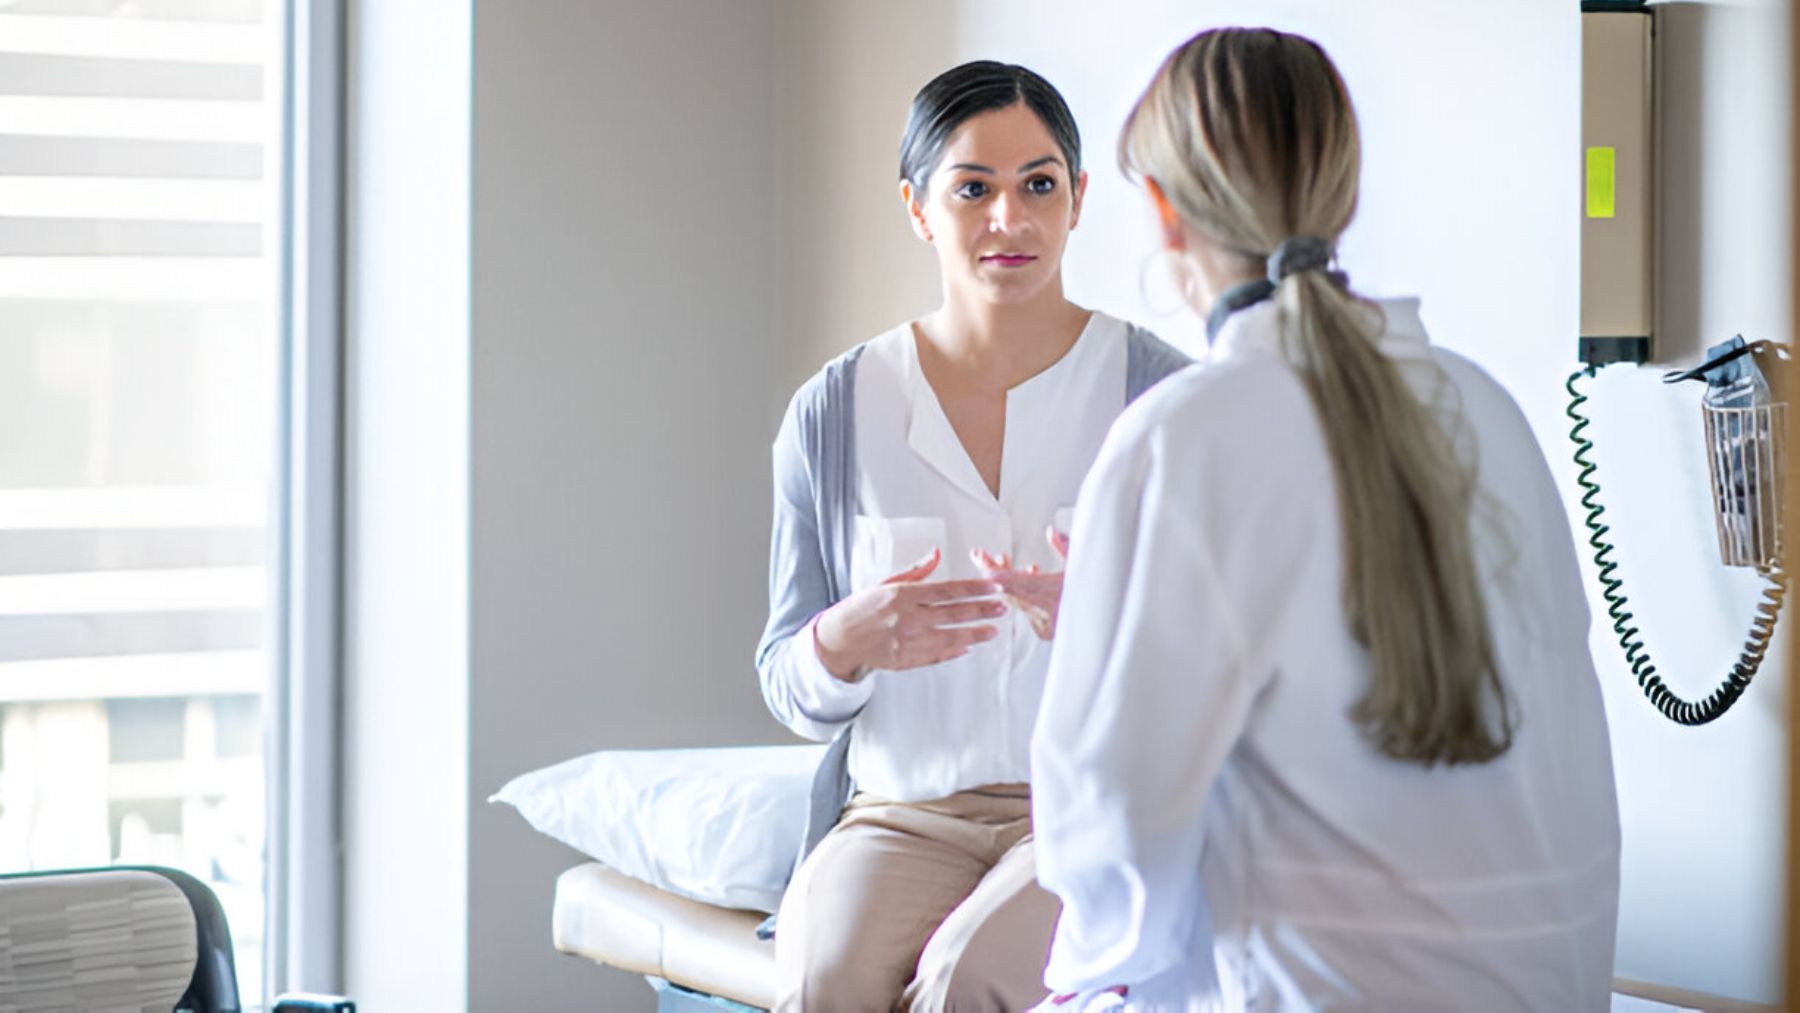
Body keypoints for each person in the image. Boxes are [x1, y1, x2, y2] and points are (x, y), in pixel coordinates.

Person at [1029, 28, 1621, 1011]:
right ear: (1340, 196)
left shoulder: (1185, 435)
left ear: (1162, 214)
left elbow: (1110, 828)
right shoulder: (1486, 408)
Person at [755, 60, 1189, 1012]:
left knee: (964, 981)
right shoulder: (834, 415)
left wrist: (1113, 626)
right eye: (973, 190)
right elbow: (786, 676)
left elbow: (1231, 664)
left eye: (1039, 184)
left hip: (1086, 812)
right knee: (823, 983)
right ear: (917, 207)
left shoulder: (1161, 401)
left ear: (1078, 199)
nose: (1010, 218)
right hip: (899, 817)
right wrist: (842, 642)